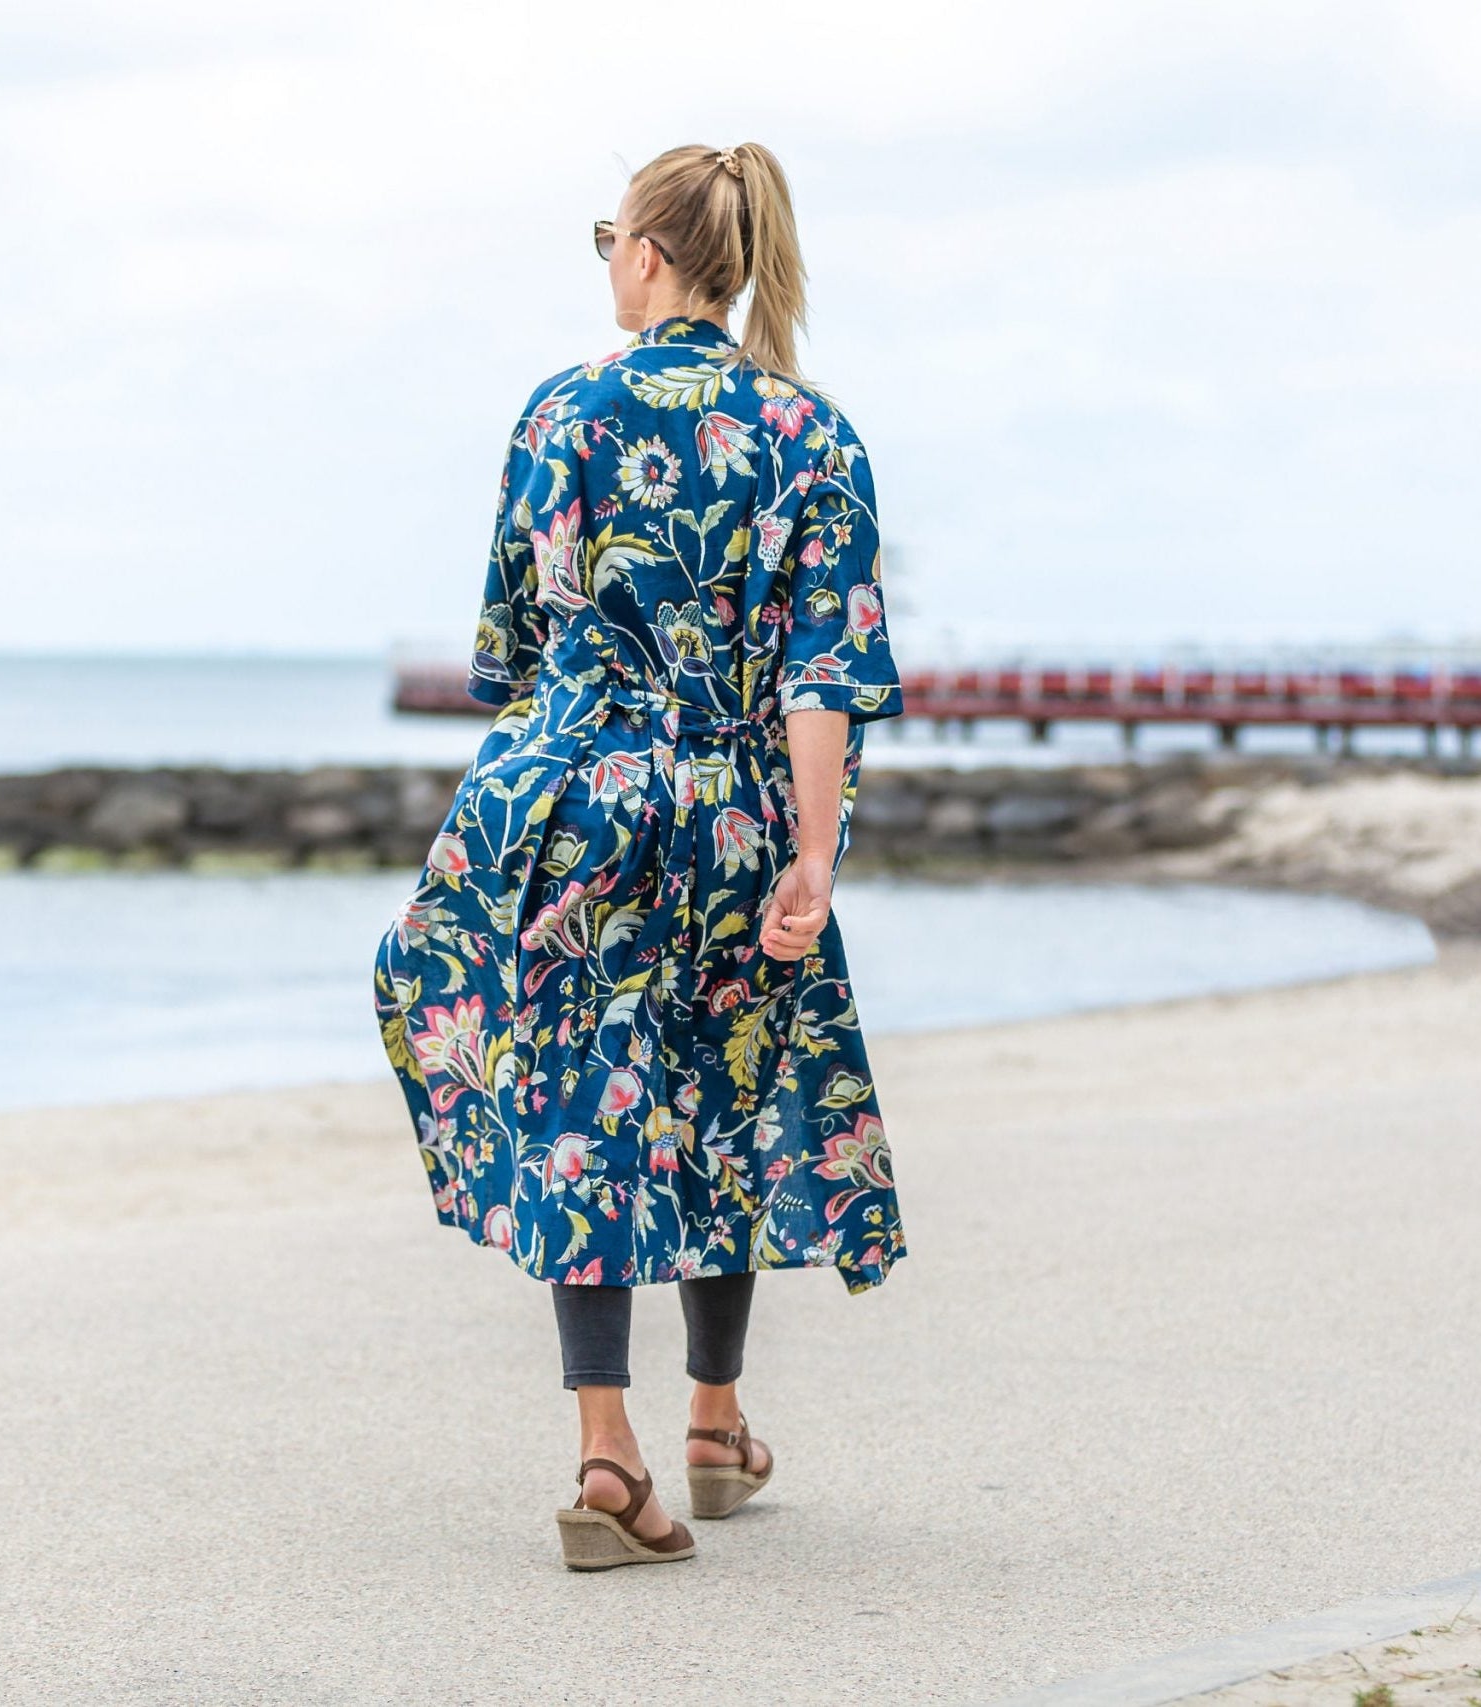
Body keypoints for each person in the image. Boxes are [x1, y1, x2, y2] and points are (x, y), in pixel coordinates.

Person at [373, 141, 906, 1571]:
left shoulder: (560, 414)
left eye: (611, 235)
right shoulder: (811, 435)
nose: (608, 257)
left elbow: (518, 654)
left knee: (583, 1100)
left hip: (573, 799)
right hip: (736, 804)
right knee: (727, 1088)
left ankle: (610, 1450)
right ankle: (717, 1422)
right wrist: (809, 858)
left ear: (651, 254)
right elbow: (824, 677)